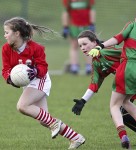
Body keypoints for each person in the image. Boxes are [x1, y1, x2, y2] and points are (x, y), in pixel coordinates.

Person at [1, 17, 85, 149]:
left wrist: (35, 71)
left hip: (40, 80)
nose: (5, 35)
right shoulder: (6, 49)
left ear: (17, 33)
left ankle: (54, 124)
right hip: (28, 84)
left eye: (7, 32)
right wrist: (9, 78)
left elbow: (43, 67)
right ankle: (76, 137)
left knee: (22, 106)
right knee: (43, 120)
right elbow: (5, 69)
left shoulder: (36, 48)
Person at [88, 3, 136, 149]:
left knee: (115, 105)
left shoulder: (133, 25)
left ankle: (124, 137)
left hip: (129, 66)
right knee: (127, 102)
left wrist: (100, 46)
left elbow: (117, 38)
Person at [71, 30, 136, 136]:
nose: (82, 48)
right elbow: (94, 84)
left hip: (132, 78)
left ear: (95, 42)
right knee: (120, 112)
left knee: (118, 110)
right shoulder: (96, 62)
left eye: (85, 44)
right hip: (126, 83)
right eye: (80, 46)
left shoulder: (106, 51)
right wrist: (82, 101)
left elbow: (129, 52)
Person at [61, 0, 96, 75]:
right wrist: (65, 26)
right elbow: (66, 12)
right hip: (73, 25)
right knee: (74, 45)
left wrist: (92, 23)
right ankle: (74, 66)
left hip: (86, 25)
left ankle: (89, 66)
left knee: (88, 45)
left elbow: (92, 10)